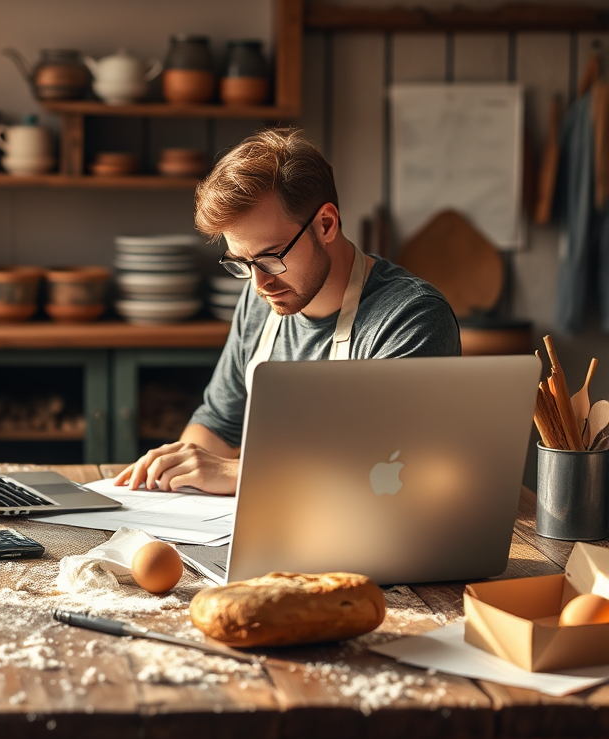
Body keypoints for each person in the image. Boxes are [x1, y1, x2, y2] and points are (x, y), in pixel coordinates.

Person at [114, 128, 461, 495]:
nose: (259, 283)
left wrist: (236, 473)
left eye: (271, 257)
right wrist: (178, 467)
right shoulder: (261, 298)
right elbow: (218, 424)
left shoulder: (411, 318)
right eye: (242, 263)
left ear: (326, 224)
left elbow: (386, 468)